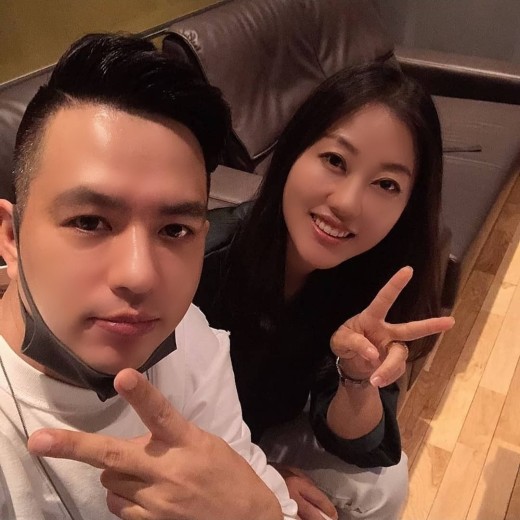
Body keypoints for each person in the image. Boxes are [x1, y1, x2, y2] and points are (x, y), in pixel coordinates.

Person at [0, 33, 298, 520]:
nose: (140, 276)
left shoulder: (189, 338)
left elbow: (265, 497)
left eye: (175, 229)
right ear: (11, 237)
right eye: (90, 222)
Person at [194, 63, 455, 520]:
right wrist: (261, 475)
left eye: (386, 184)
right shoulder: (202, 260)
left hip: (265, 429)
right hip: (191, 442)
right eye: (335, 161)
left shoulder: (377, 279)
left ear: (408, 206)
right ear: (295, 151)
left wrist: (356, 377)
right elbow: (146, 415)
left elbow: (359, 441)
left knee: (384, 485)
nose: (347, 203)